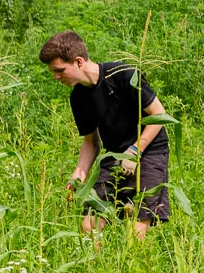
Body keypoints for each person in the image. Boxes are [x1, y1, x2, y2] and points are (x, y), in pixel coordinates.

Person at [39, 30, 170, 241]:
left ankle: (135, 260)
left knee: (137, 229)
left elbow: (159, 115)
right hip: (114, 154)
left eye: (60, 70)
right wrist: (78, 175)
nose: (56, 77)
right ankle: (96, 261)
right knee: (89, 224)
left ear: (79, 61)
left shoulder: (123, 75)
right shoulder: (78, 97)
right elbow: (91, 142)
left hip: (149, 151)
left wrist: (134, 151)